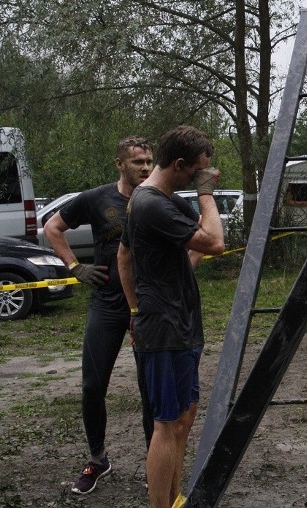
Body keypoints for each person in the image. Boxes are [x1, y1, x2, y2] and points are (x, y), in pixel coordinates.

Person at [117, 125, 225, 508]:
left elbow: (125, 256)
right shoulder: (150, 204)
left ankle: (175, 498)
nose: (201, 176)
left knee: (185, 417)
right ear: (180, 165)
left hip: (179, 323)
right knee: (166, 424)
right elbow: (214, 242)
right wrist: (206, 192)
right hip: (163, 329)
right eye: (197, 170)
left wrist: (134, 307)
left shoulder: (160, 198)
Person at [44, 136, 155, 495]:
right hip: (107, 303)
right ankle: (98, 458)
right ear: (120, 164)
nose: (145, 167)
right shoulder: (96, 199)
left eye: (149, 161)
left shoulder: (157, 197)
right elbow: (52, 228)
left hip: (148, 305)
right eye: (137, 161)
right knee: (93, 385)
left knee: (150, 389)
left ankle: (156, 462)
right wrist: (76, 267)